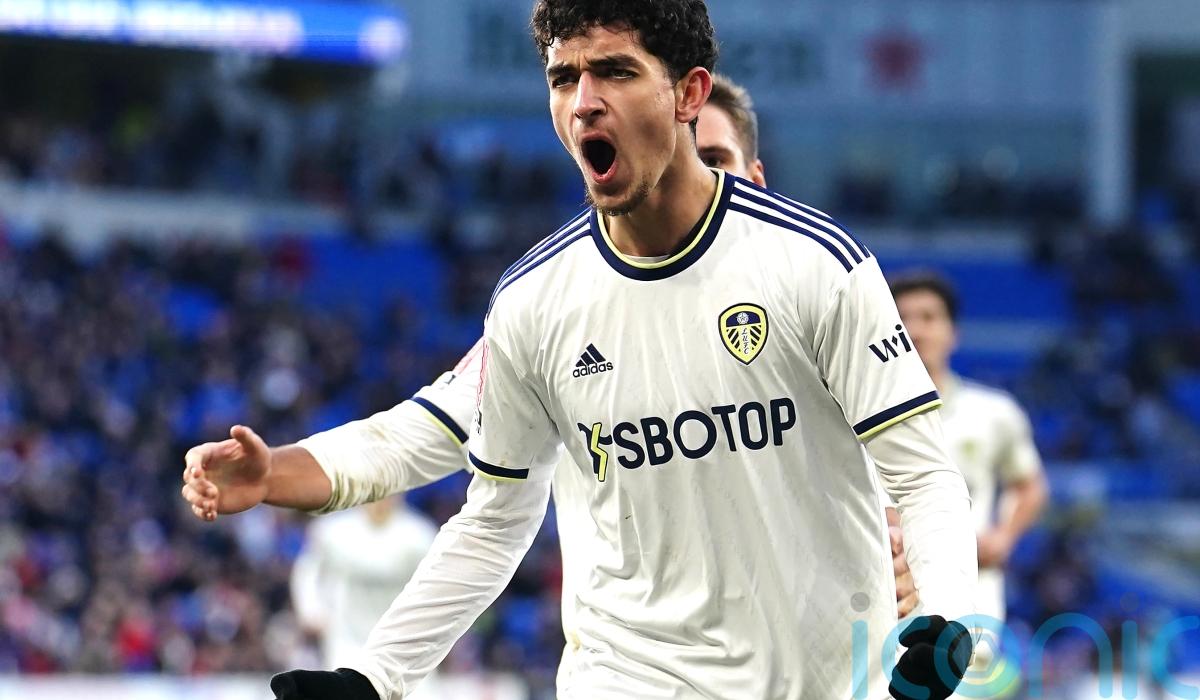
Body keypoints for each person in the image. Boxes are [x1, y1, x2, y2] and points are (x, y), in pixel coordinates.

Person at [192, 2, 977, 696]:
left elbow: (925, 474)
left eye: (616, 72)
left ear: (688, 96)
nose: (585, 102)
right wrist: (375, 675)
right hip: (626, 675)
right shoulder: (537, 304)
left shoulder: (815, 266)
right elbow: (464, 478)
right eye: (564, 78)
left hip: (823, 676)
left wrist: (946, 614)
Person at [890, 271, 1049, 692]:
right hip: (884, 593)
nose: (915, 330)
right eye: (902, 319)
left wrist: (1005, 535)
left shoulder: (992, 412)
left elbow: (1029, 485)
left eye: (929, 317)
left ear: (952, 333)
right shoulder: (852, 417)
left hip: (971, 596)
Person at [289, 497, 437, 671]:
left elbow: (435, 583)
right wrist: (311, 610)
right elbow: (308, 571)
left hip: (402, 641)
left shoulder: (419, 535)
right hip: (346, 636)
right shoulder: (333, 531)